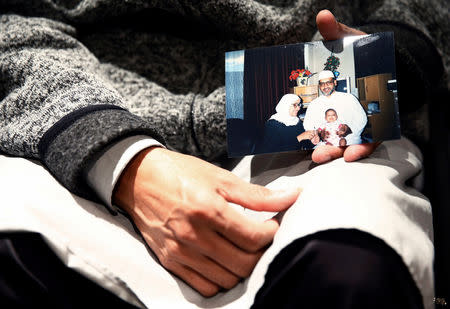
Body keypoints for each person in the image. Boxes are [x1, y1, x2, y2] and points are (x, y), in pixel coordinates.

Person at [0, 1, 448, 308]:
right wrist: (124, 160)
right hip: (82, 114)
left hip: (324, 127)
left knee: (350, 266)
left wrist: (386, 61)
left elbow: (422, 9)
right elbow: (17, 23)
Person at [299, 70, 367, 146]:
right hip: (324, 144)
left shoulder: (349, 98)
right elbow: (308, 125)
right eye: (322, 84)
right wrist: (317, 135)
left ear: (335, 82)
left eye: (328, 82)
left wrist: (349, 130)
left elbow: (362, 119)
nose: (325, 86)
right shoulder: (314, 104)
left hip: (350, 141)